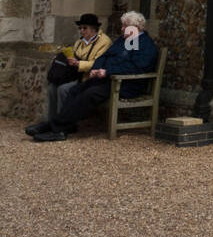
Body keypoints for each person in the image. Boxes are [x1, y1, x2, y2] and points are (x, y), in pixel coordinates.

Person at [26, 10, 158, 142]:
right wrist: (96, 68)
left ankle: (57, 128)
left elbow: (135, 67)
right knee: (75, 90)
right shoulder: (124, 40)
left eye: (125, 26)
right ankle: (63, 125)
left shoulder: (145, 45)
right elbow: (104, 56)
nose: (122, 29)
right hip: (107, 80)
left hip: (125, 84)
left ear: (136, 27)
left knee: (89, 94)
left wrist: (107, 71)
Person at [42, 13, 112, 123]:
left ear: (94, 28)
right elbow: (75, 55)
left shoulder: (104, 42)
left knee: (63, 89)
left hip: (89, 78)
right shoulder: (79, 42)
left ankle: (63, 122)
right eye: (80, 28)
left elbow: (98, 63)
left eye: (85, 28)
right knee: (52, 88)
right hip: (75, 75)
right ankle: (51, 120)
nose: (82, 31)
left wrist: (78, 64)